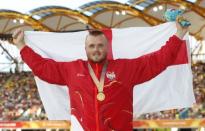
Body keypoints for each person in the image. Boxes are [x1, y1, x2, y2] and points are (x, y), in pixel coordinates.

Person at [12, 17, 188, 131]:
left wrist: (179, 35)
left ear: (107, 47)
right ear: (85, 49)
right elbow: (43, 68)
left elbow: (157, 61)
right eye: (92, 46)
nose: (96, 49)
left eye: (100, 45)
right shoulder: (72, 70)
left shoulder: (126, 69)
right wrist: (21, 46)